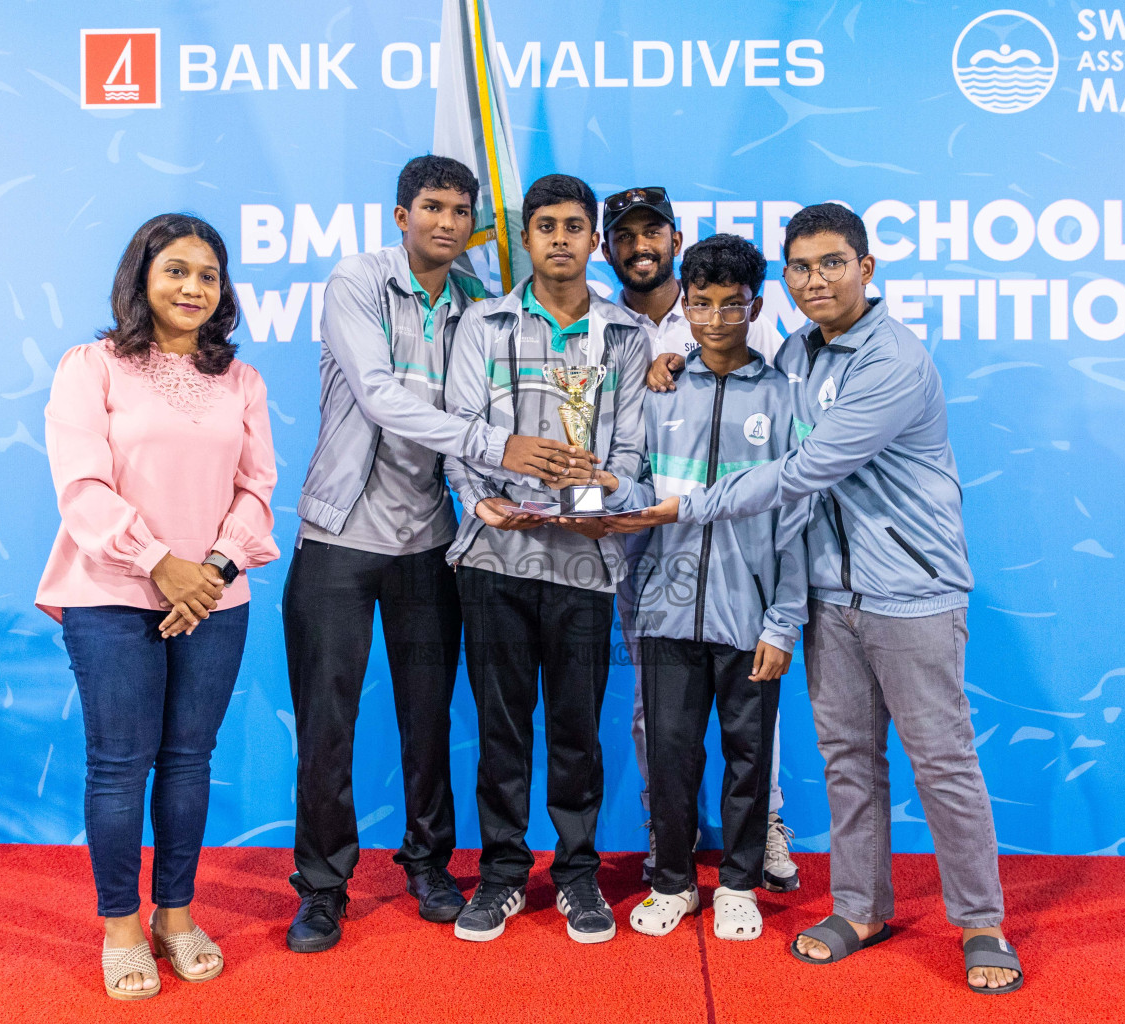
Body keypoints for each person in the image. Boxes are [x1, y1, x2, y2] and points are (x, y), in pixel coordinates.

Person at [622, 203, 1022, 993]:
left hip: (912, 591)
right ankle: (859, 907)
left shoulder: (892, 362)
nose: (815, 280)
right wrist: (667, 361)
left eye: (832, 263)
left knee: (942, 764)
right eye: (801, 266)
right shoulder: (801, 353)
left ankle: (980, 923)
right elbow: (731, 372)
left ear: (866, 269)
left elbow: (804, 471)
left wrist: (685, 504)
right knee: (847, 760)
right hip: (831, 592)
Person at [283, 156, 597, 953]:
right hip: (340, 538)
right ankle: (322, 888)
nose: (448, 223)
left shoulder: (474, 305)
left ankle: (427, 865)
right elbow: (381, 392)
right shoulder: (356, 281)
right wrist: (499, 447)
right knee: (328, 725)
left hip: (429, 539)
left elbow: (497, 396)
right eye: (433, 207)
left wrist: (487, 475)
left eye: (462, 211)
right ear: (401, 214)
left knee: (428, 720)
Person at [36, 213, 278, 999]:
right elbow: (81, 485)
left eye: (208, 275)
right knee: (118, 765)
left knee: (187, 761)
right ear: (141, 275)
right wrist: (157, 564)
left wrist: (206, 572)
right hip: (111, 593)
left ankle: (176, 916)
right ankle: (121, 928)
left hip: (215, 595)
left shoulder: (239, 379)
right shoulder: (93, 366)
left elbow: (257, 487)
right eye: (176, 270)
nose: (193, 287)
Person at [443, 173, 650, 944]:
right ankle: (500, 876)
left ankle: (576, 875)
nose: (560, 239)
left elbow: (631, 451)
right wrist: (481, 496)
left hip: (585, 565)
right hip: (496, 557)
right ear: (525, 239)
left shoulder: (624, 337)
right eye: (545, 226)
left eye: (574, 226)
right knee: (500, 731)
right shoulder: (484, 325)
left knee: (575, 731)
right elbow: (458, 429)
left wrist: (605, 493)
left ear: (595, 240)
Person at [607, 234, 808, 942]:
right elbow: (636, 481)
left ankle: (741, 884)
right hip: (664, 609)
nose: (716, 319)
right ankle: (673, 882)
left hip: (750, 616)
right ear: (683, 305)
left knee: (750, 758)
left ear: (756, 306)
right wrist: (603, 494)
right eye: (702, 304)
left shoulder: (784, 397)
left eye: (733, 305)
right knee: (669, 753)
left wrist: (783, 621)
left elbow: (796, 517)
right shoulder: (659, 389)